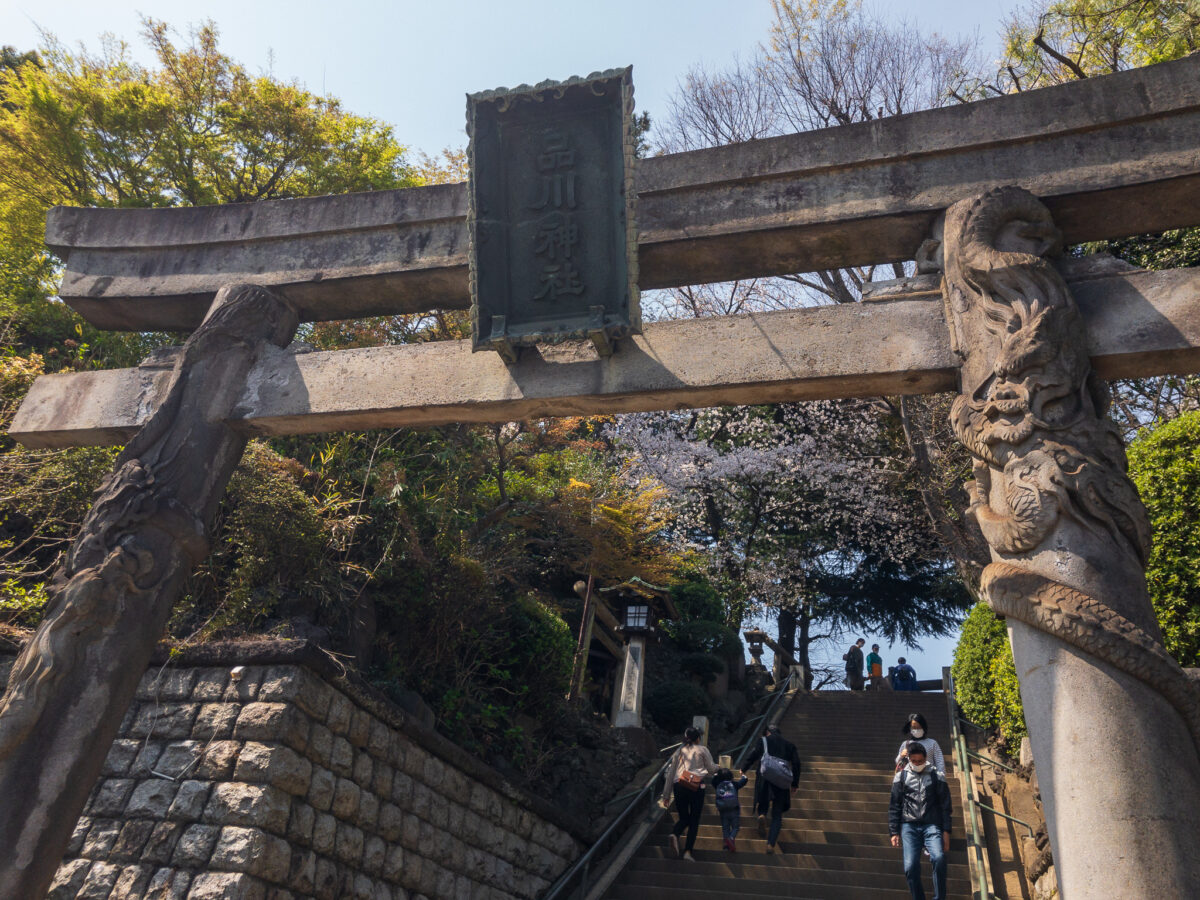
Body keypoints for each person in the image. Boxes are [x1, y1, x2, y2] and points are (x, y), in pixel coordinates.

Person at [889, 742, 953, 900]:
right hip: (908, 825)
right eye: (914, 761)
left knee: (938, 858)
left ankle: (939, 897)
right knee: (910, 866)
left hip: (932, 824)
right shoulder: (901, 776)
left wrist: (946, 831)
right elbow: (894, 805)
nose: (917, 764)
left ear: (926, 758)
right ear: (909, 759)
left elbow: (946, 806)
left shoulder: (936, 775)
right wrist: (894, 831)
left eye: (920, 761)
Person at [658, 725, 717, 861]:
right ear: (698, 738)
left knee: (684, 818)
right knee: (694, 820)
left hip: (679, 785)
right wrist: (719, 767)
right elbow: (711, 769)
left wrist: (666, 796)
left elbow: (671, 773)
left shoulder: (679, 751)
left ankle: (675, 833)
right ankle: (687, 852)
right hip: (696, 787)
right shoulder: (702, 750)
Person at [742, 724, 801, 853]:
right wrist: (795, 783)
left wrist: (743, 769)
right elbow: (796, 764)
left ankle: (762, 814)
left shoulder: (763, 741)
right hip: (781, 781)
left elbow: (753, 755)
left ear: (767, 732)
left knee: (763, 801)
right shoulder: (789, 745)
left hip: (765, 778)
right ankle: (771, 844)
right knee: (777, 814)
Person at [712, 766, 749, 852]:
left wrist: (716, 774)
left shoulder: (717, 784)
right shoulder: (734, 784)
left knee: (725, 828)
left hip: (723, 810)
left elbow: (712, 781)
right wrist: (744, 775)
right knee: (735, 827)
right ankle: (731, 838)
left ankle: (726, 845)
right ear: (731, 776)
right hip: (734, 810)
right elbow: (743, 782)